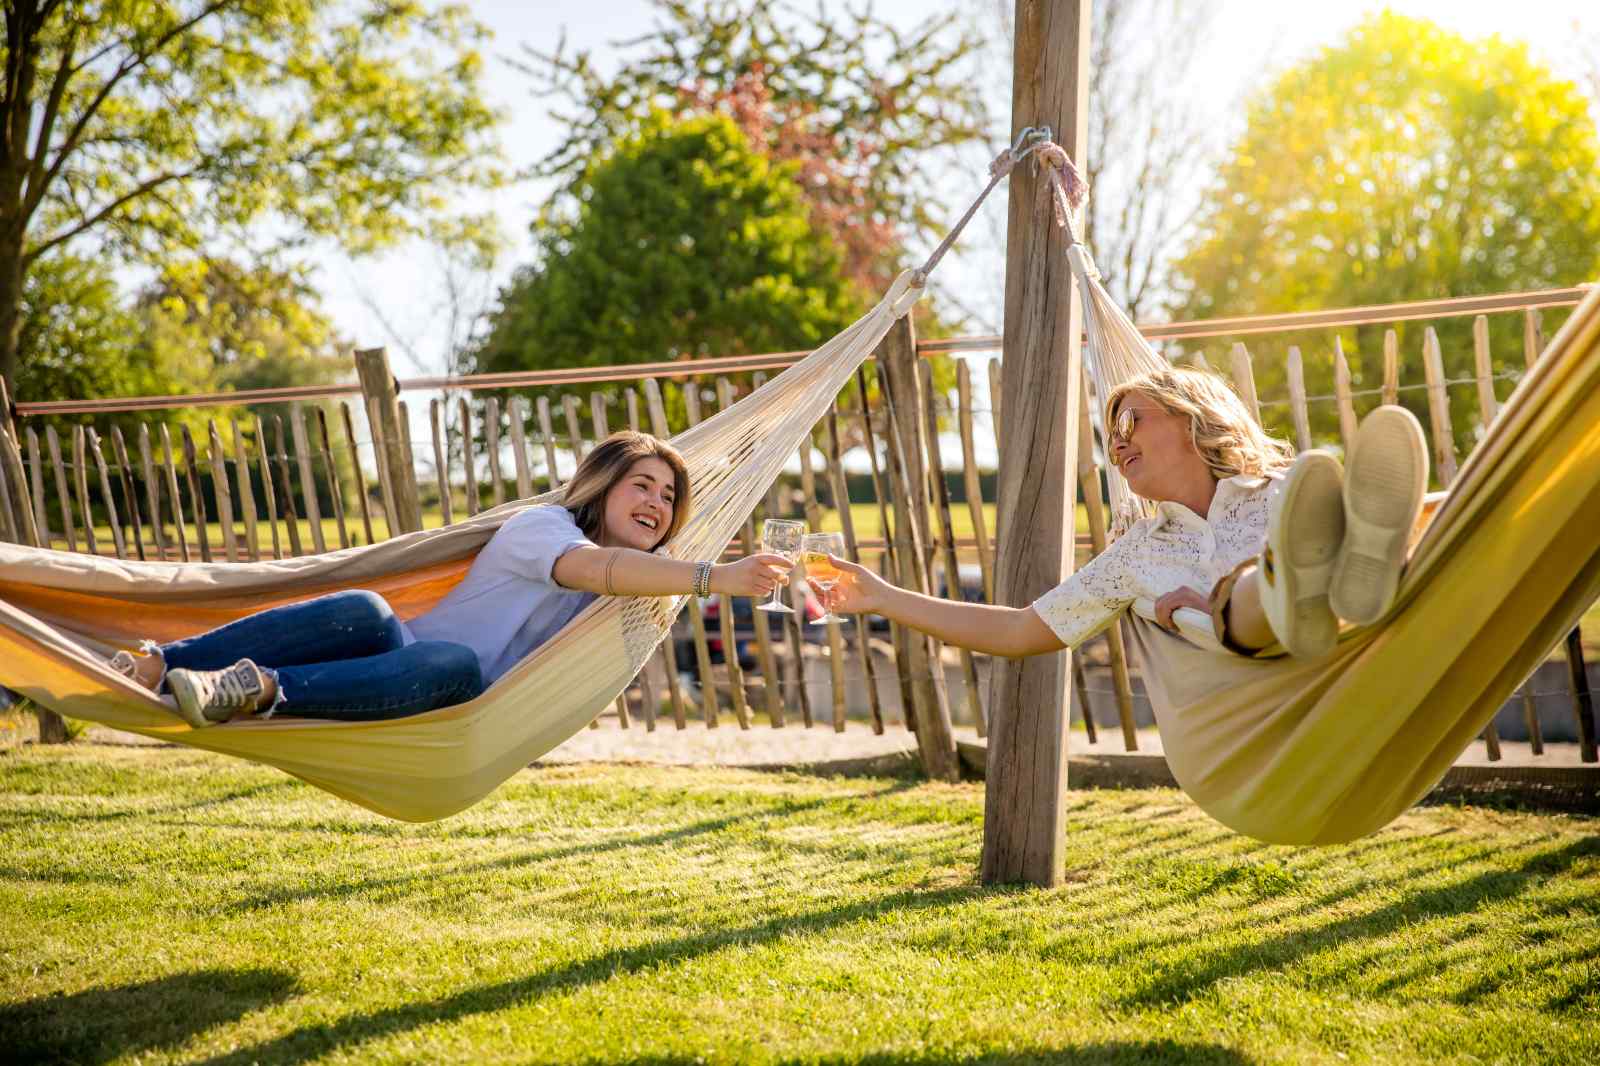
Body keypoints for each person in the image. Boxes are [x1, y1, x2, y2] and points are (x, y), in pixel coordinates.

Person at [111, 431, 792, 729]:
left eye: (670, 497)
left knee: (454, 660)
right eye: (642, 484)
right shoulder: (543, 528)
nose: (657, 504)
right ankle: (163, 664)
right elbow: (595, 568)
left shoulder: (644, 596)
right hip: (397, 658)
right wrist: (713, 576)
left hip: (460, 701)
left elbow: (621, 591)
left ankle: (262, 690)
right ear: (603, 486)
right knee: (367, 608)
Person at [823, 366, 1430, 681]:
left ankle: (1360, 557)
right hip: (1267, 674)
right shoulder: (1138, 554)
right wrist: (881, 596)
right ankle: (1273, 583)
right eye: (1111, 437)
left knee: (1388, 509)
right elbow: (1018, 633)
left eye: (1131, 424)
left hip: (1353, 642)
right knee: (1244, 595)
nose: (1116, 447)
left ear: (1192, 420)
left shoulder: (1290, 488)